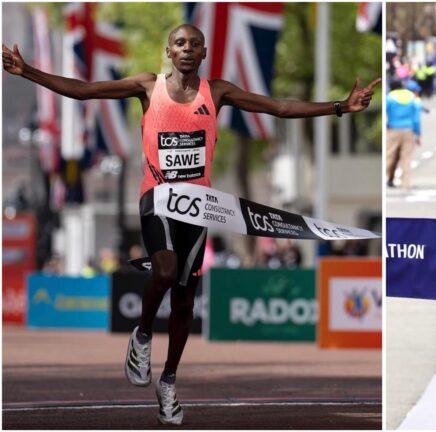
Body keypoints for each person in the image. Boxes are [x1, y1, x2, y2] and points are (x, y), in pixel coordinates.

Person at [3, 24, 379, 426]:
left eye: (194, 44)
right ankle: (143, 335)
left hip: (199, 208)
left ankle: (168, 382)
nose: (186, 49)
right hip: (158, 200)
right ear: (168, 51)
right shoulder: (148, 87)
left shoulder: (216, 92)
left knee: (184, 299)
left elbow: (279, 108)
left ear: (203, 54)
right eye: (179, 43)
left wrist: (340, 107)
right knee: (164, 269)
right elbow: (84, 90)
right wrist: (28, 72)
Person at [386, 80, 421, 189]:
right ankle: (406, 184)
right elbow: (416, 118)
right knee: (406, 158)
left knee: (389, 156)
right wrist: (418, 133)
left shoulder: (389, 98)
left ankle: (385, 178)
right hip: (408, 129)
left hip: (393, 129)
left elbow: (385, 114)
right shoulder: (411, 97)